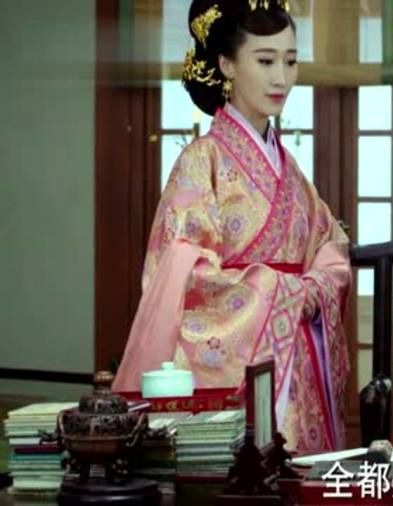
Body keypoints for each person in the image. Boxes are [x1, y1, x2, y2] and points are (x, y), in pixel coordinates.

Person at [112, 0, 350, 454]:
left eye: (290, 61)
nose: (281, 78)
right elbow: (183, 277)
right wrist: (280, 292)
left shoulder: (293, 174)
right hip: (243, 373)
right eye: (265, 61)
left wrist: (317, 285)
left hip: (297, 364)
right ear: (227, 64)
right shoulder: (201, 162)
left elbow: (330, 246)